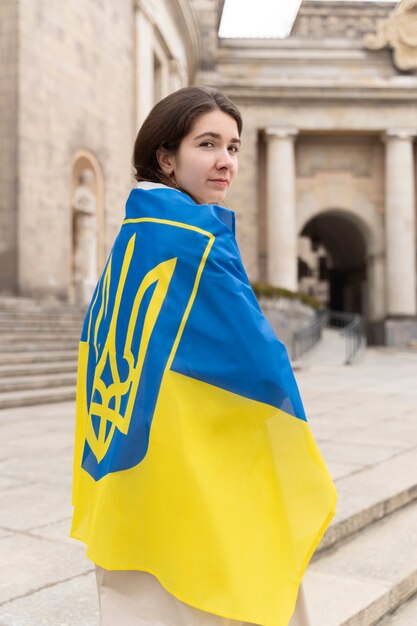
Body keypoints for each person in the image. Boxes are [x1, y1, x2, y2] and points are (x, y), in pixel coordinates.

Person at [71, 86, 337, 626]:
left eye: (234, 148)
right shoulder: (196, 239)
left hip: (126, 453)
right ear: (166, 157)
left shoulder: (134, 234)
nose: (225, 162)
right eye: (208, 144)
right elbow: (259, 362)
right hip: (193, 461)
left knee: (143, 587)